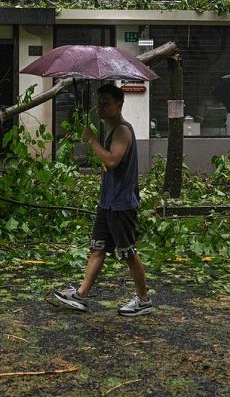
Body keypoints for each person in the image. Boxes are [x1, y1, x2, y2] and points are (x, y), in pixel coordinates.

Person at [53, 83, 153, 316]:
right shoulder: (111, 129)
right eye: (99, 103)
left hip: (121, 204)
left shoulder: (122, 131)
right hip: (108, 202)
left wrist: (90, 140)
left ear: (119, 105)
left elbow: (111, 161)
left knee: (128, 252)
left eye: (106, 103)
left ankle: (143, 299)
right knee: (97, 248)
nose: (101, 107)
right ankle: (81, 295)